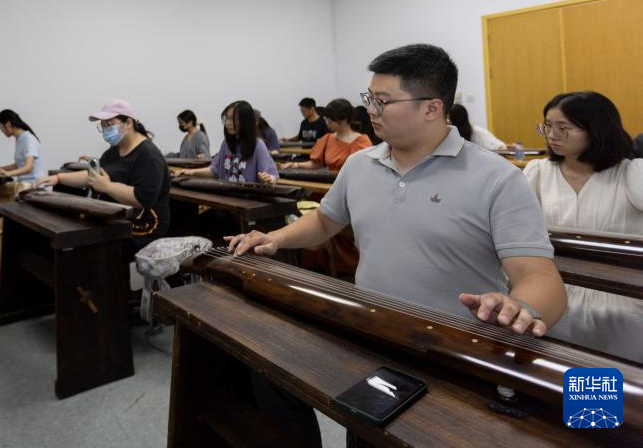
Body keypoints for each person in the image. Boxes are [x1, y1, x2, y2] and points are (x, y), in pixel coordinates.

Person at [229, 44, 566, 334]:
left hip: (456, 344)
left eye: (382, 101)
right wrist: (275, 238)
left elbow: (539, 276)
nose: (370, 111)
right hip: (370, 329)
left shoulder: (497, 177)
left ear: (432, 108)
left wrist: (520, 308)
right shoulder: (359, 165)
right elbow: (325, 221)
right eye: (369, 99)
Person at [523, 91, 643, 361]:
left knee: (614, 380)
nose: (552, 135)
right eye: (547, 126)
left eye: (563, 128)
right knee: (559, 375)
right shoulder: (538, 172)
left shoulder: (632, 173)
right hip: (555, 296)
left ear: (596, 130)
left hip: (621, 301)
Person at [36, 99, 170, 258]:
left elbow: (143, 199)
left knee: (90, 248)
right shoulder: (114, 150)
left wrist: (107, 187)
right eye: (103, 125)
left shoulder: (148, 156)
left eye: (110, 124)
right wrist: (58, 178)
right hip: (119, 217)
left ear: (128, 123)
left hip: (144, 227)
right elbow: (94, 176)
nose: (106, 130)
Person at [175, 100, 278, 184]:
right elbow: (214, 170)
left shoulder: (258, 145)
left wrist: (269, 178)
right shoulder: (226, 144)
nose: (228, 123)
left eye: (233, 119)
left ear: (245, 121)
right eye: (227, 118)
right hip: (226, 198)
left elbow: (273, 175)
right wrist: (190, 172)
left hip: (247, 200)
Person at [282, 98, 372, 172]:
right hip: (331, 182)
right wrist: (295, 164)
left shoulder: (361, 141)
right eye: (326, 119)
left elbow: (363, 170)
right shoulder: (328, 139)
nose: (327, 123)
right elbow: (317, 163)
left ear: (343, 119)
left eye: (330, 120)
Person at [0, 109, 47, 193]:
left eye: (1, 127)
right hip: (25, 187)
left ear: (8, 124)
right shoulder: (19, 139)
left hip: (35, 188)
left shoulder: (28, 139)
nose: (1, 130)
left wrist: (8, 174)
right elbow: (18, 165)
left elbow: (28, 167)